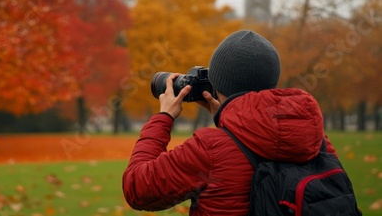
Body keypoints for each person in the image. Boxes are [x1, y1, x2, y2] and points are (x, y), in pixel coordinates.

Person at [122, 30, 338, 216]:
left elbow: (137, 189)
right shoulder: (315, 139)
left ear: (217, 83)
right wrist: (227, 119)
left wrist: (164, 118)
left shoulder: (209, 150)